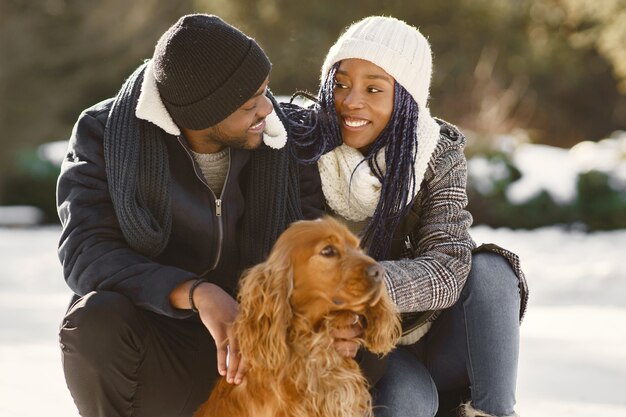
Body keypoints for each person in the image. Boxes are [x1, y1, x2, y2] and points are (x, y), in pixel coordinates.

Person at [56, 14, 325, 417]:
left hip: (260, 343)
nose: (268, 109)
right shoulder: (104, 133)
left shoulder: (282, 137)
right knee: (94, 321)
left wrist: (269, 323)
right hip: (164, 344)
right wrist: (196, 292)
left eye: (265, 91)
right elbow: (86, 254)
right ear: (199, 116)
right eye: (250, 103)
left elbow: (314, 234)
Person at [285, 16, 529, 417]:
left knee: (492, 270)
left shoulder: (436, 155)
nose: (351, 101)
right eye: (341, 84)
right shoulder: (301, 145)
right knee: (409, 400)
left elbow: (449, 266)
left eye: (374, 89)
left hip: (426, 330)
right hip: (352, 339)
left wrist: (358, 286)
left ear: (406, 100)